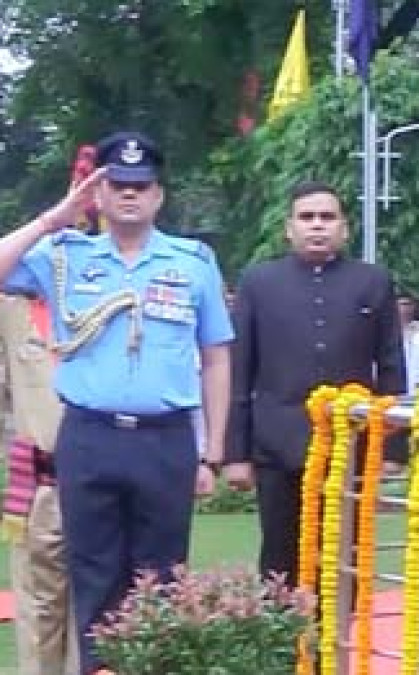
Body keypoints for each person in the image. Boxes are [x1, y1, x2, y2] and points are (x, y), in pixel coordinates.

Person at [0, 131, 233, 675]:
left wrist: (213, 452)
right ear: (97, 194)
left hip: (164, 439)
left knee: (162, 580)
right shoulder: (64, 255)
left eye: (141, 185)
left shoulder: (193, 262)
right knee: (94, 578)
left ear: (159, 195)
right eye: (118, 184)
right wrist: (53, 219)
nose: (130, 194)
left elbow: (216, 358)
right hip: (90, 437)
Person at [226, 180, 402, 585]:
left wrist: (391, 448)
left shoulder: (372, 281)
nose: (317, 225)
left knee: (343, 559)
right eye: (307, 217)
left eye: (327, 217)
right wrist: (237, 454)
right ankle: (283, 629)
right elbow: (239, 371)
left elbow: (391, 366)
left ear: (344, 228)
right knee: (279, 557)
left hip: (349, 445)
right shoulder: (259, 282)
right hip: (277, 444)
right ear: (289, 228)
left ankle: (337, 629)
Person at [0, 293, 77, 674]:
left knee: (97, 603)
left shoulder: (106, 301)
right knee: (37, 604)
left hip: (101, 477)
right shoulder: (11, 312)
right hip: (38, 479)